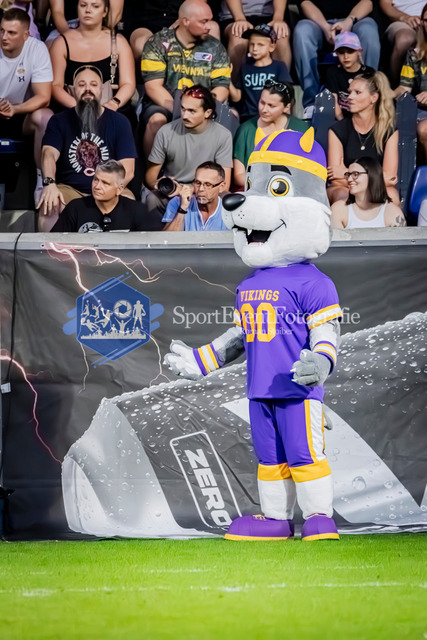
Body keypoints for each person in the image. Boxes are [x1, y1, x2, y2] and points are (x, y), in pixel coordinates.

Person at [37, 65, 137, 231]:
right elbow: (48, 154)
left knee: (128, 201)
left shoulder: (120, 122)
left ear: (102, 90)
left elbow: (128, 169)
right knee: (50, 203)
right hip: (70, 190)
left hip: (108, 189)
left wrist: (104, 192)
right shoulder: (59, 121)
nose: (88, 89)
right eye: (81, 85)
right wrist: (49, 184)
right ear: (71, 90)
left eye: (93, 84)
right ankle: (47, 249)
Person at [140, 0, 231, 156]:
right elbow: (153, 87)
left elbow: (222, 87)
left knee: (230, 118)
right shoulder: (157, 43)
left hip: (204, 106)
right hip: (165, 104)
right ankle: (152, 170)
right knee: (156, 120)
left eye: (210, 21)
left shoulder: (215, 47)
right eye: (203, 22)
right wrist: (181, 110)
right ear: (185, 21)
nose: (209, 26)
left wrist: (201, 110)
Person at [144, 85, 233, 227]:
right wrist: (164, 184)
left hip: (206, 189)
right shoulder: (166, 132)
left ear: (207, 112)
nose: (185, 116)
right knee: (152, 199)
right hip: (173, 191)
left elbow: (225, 183)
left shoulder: (223, 136)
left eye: (192, 111)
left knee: (226, 197)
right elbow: (150, 177)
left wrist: (192, 188)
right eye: (183, 109)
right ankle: (157, 239)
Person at [293, 0, 381, 119]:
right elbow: (305, 3)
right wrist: (325, 27)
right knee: (302, 30)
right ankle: (311, 102)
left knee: (368, 30)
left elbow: (368, 2)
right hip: (318, 22)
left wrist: (349, 21)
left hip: (355, 19)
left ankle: (368, 97)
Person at [0, 8, 52, 201]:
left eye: (11, 32)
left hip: (22, 113)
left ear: (25, 35)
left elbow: (44, 97)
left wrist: (15, 109)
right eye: (1, 30)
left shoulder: (37, 49)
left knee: (45, 117)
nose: (4, 37)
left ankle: (42, 181)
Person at [49, 0, 135, 113]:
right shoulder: (61, 43)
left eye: (95, 6)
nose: (88, 10)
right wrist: (78, 107)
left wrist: (113, 104)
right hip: (72, 110)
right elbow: (55, 85)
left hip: (111, 110)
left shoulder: (118, 42)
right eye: (83, 5)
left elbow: (128, 84)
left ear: (105, 11)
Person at [327, 71, 399, 204]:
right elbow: (335, 179)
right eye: (350, 92)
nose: (350, 97)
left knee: (392, 195)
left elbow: (390, 176)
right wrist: (376, 179)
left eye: (357, 92)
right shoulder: (337, 130)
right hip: (346, 188)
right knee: (342, 194)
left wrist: (346, 173)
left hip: (368, 187)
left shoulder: (389, 131)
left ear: (373, 98)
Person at [233, 79, 308, 188]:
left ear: (286, 107)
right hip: (253, 190)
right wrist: (268, 185)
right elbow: (239, 175)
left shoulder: (301, 129)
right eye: (262, 102)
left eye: (271, 106)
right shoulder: (246, 129)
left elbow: (307, 172)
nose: (264, 109)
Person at [51, 160, 149, 232]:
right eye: (95, 179)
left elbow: (148, 248)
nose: (97, 186)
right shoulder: (75, 208)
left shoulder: (137, 210)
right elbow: (54, 243)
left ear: (119, 189)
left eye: (105, 183)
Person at [229, 23, 291, 120]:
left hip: (272, 117)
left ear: (271, 47)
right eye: (252, 44)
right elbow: (237, 98)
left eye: (260, 45)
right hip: (248, 118)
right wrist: (226, 78)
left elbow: (286, 95)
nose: (255, 49)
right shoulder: (245, 68)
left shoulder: (279, 67)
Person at [123, 0, 220, 61]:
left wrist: (182, 20)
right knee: (141, 44)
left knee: (212, 30)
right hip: (146, 20)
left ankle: (202, 83)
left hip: (183, 18)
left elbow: (198, 4)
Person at [219, 0, 291, 75]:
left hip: (268, 17)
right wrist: (239, 18)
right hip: (234, 17)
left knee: (281, 36)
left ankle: (282, 79)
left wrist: (278, 19)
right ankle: (235, 81)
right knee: (238, 38)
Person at [331, 157, 406, 228]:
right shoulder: (338, 209)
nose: (349, 179)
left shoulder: (392, 213)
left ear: (372, 176)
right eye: (348, 175)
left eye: (355, 174)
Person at [395, 3, 427, 161]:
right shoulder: (415, 54)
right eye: (426, 20)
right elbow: (404, 87)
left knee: (424, 129)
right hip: (422, 111)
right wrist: (384, 94)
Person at [162, 161, 228, 230]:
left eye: (208, 184)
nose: (201, 189)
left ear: (221, 187)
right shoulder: (177, 202)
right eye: (198, 183)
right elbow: (169, 236)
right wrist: (182, 209)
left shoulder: (229, 212)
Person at [325, 31, 375, 119]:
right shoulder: (333, 72)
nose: (346, 56)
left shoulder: (369, 73)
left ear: (359, 52)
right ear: (337, 53)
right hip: (341, 120)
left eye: (350, 51)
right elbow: (334, 102)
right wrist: (343, 123)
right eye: (341, 52)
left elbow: (372, 103)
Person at [380, 0, 424, 88]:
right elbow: (386, 4)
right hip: (403, 21)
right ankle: (396, 87)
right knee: (405, 39)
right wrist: (404, 17)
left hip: (424, 18)